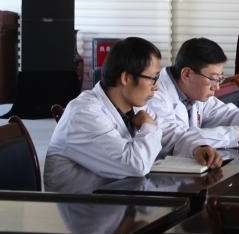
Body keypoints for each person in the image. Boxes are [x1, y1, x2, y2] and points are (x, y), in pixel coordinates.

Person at [45, 37, 219, 194]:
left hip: (120, 201)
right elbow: (135, 165)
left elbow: (169, 136)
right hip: (84, 210)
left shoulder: (135, 106)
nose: (156, 87)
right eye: (153, 78)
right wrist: (148, 126)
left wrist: (197, 148)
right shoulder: (84, 113)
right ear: (126, 78)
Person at [147, 37, 239, 160]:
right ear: (187, 74)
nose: (217, 87)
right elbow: (178, 140)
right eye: (213, 79)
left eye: (219, 78)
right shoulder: (154, 94)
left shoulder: (195, 92)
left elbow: (226, 113)